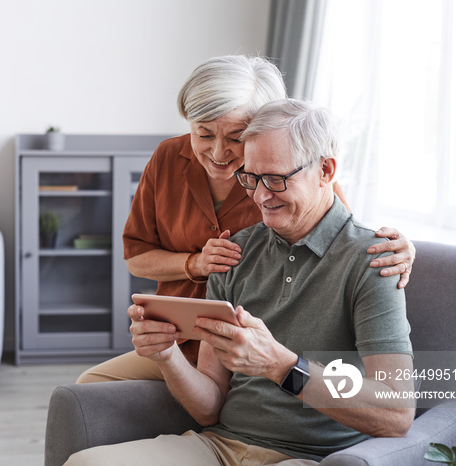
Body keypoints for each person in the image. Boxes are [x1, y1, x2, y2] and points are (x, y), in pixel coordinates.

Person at [65, 99, 414, 465]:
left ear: (325, 170)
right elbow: (209, 408)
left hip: (307, 456)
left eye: (277, 179)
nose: (261, 196)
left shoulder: (377, 260)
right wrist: (167, 355)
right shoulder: (234, 252)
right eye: (250, 177)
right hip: (218, 445)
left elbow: (396, 414)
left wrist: (281, 366)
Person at [76, 55, 415, 384]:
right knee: (90, 385)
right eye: (204, 133)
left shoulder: (293, 177)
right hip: (178, 343)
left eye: (236, 137)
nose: (219, 152)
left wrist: (404, 248)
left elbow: (340, 238)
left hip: (259, 349)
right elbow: (137, 258)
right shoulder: (167, 158)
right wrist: (194, 264)